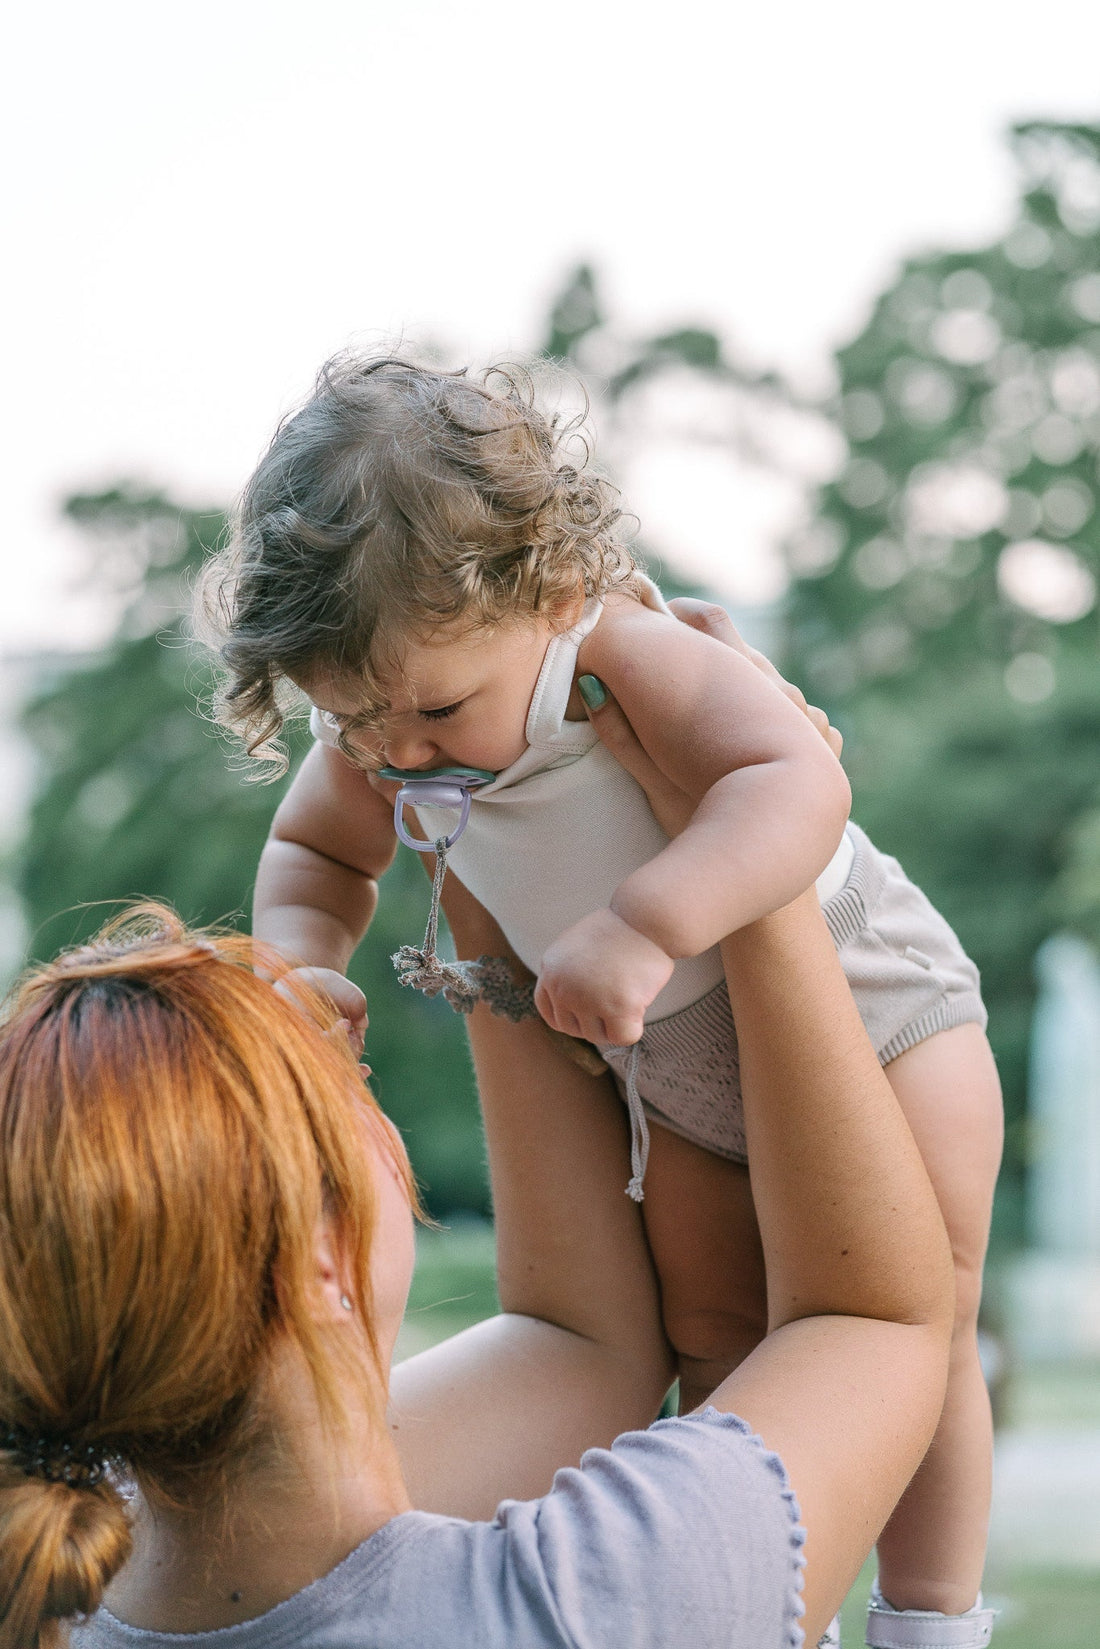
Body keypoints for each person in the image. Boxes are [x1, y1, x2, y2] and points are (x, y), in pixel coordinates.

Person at [199, 354, 1002, 1645]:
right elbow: (313, 857)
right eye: (353, 721)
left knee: (925, 1313)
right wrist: (300, 962)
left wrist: (647, 920)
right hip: (664, 1066)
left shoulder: (616, 653)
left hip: (877, 1005)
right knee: (717, 1331)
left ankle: (930, 1615)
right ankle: (784, 1594)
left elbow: (795, 781)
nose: (397, 754)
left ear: (551, 588)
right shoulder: (389, 711)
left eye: (433, 710)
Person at [0, 707, 956, 1647]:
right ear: (323, 1258)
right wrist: (750, 846)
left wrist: (474, 869)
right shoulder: (599, 1598)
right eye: (348, 1089)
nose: (356, 1062)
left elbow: (583, 1342)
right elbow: (870, 1317)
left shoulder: (85, 1585)